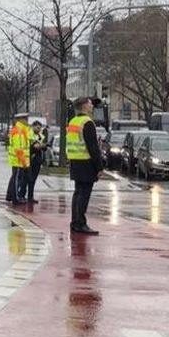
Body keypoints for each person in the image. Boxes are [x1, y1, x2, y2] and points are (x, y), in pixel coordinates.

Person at [67, 97, 105, 235]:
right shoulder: (87, 123)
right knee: (84, 194)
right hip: (86, 162)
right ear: (83, 106)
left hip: (75, 161)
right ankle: (80, 223)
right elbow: (93, 147)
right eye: (89, 103)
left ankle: (75, 221)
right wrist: (99, 167)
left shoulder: (73, 121)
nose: (91, 106)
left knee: (77, 193)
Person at [6, 112, 31, 204]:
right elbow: (19, 149)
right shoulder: (19, 131)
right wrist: (24, 162)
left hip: (18, 160)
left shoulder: (22, 130)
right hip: (18, 160)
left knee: (15, 178)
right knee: (16, 179)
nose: (27, 121)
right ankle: (15, 198)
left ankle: (10, 196)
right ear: (21, 120)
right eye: (25, 119)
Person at [26, 121, 46, 203]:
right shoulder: (30, 134)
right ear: (33, 127)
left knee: (33, 179)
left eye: (40, 128)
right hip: (30, 159)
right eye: (37, 128)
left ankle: (30, 197)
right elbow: (32, 146)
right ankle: (26, 196)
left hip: (37, 160)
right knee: (29, 179)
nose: (39, 129)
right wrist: (38, 146)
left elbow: (42, 147)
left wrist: (43, 146)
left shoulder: (41, 136)